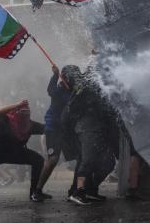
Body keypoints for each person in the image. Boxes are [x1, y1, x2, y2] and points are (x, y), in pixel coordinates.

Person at [61, 65, 116, 205]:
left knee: (109, 161)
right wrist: (94, 62)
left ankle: (90, 189)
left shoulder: (88, 82)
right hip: (87, 128)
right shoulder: (80, 87)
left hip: (99, 128)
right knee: (88, 159)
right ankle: (78, 192)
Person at [0, 100, 44, 205]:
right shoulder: (6, 119)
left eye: (27, 112)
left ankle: (34, 193)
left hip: (14, 152)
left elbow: (47, 129)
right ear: (16, 112)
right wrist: (17, 105)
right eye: (22, 111)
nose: (25, 114)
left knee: (38, 160)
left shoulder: (30, 125)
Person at [31, 65, 71, 202]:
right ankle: (37, 191)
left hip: (65, 130)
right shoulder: (60, 89)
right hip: (53, 128)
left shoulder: (73, 90)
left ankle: (77, 190)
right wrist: (55, 75)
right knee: (53, 159)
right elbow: (50, 91)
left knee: (79, 156)